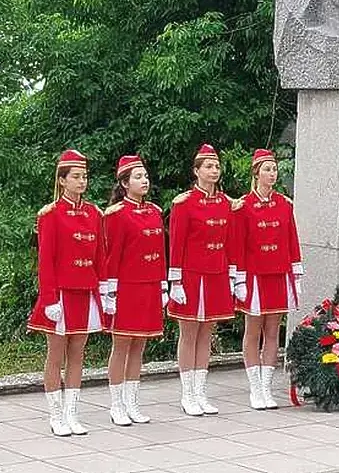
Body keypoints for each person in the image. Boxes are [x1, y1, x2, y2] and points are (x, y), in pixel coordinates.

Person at [27, 149, 106, 436]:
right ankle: (56, 414)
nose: (82, 181)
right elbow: (46, 260)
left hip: (85, 290)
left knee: (78, 354)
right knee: (56, 354)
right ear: (62, 180)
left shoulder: (94, 213)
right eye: (76, 176)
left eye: (84, 176)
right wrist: (49, 298)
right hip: (60, 293)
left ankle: (72, 413)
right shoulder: (50, 214)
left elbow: (100, 255)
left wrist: (105, 290)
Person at [167, 144, 238, 416]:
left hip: (216, 274)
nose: (214, 171)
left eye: (217, 166)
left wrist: (233, 275)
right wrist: (176, 281)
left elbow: (230, 241)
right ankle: (187, 393)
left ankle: (200, 391)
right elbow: (177, 243)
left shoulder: (225, 203)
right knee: (189, 333)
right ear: (196, 171)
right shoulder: (184, 203)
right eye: (208, 166)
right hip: (191, 275)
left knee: (207, 332)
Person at [232, 149, 303, 410]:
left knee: (273, 332)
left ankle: (266, 387)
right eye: (267, 169)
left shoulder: (285, 204)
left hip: (278, 273)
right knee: (253, 331)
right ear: (256, 173)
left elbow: (292, 239)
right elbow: (238, 244)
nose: (272, 174)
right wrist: (238, 278)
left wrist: (296, 273)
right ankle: (254, 387)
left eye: (274, 169)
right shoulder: (243, 206)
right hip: (254, 275)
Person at [100, 155, 166, 426]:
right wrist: (110, 291)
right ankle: (116, 404)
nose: (144, 181)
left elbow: (160, 251)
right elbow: (111, 255)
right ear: (125, 183)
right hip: (126, 287)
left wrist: (163, 284)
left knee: (140, 345)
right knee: (122, 344)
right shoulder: (116, 214)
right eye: (138, 177)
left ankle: (132, 402)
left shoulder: (155, 211)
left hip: (150, 285)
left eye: (145, 176)